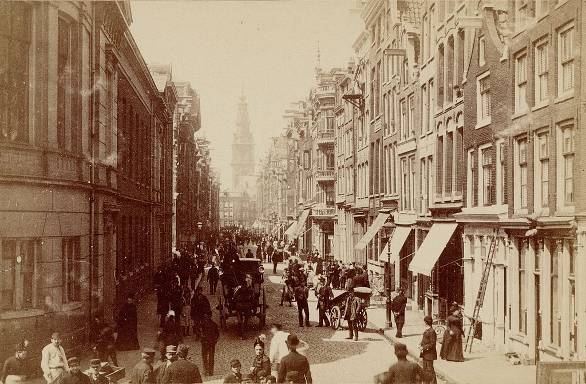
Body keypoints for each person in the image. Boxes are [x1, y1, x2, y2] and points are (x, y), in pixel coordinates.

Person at [419, 316, 438, 384]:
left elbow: (433, 344)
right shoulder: (427, 330)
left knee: (430, 370)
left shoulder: (432, 331)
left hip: (430, 354)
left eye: (424, 322)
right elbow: (425, 339)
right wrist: (421, 344)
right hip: (425, 354)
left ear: (426, 322)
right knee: (425, 369)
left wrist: (423, 347)